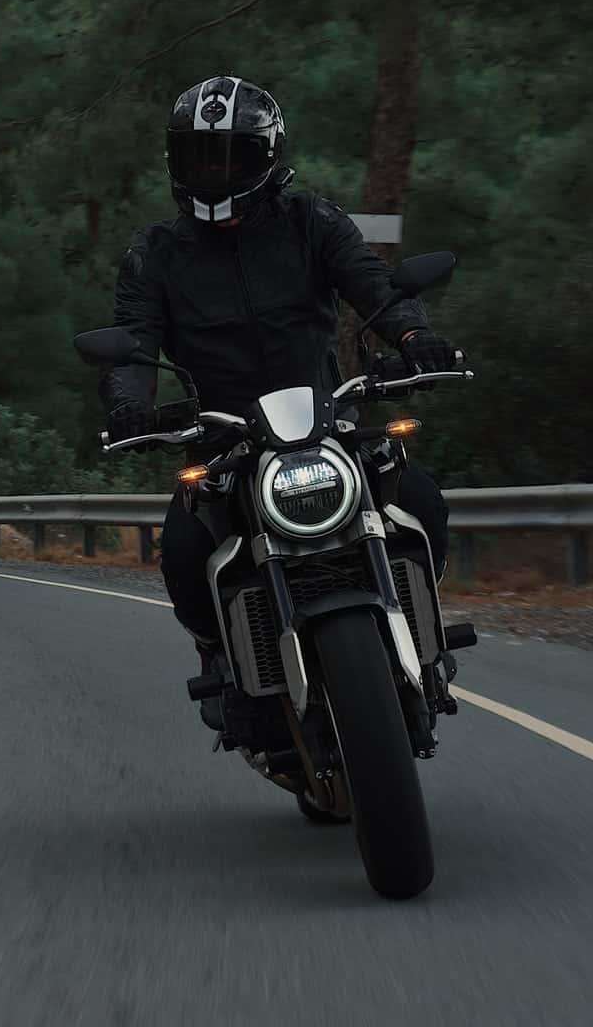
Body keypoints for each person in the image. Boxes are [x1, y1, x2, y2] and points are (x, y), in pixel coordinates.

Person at [98, 75, 461, 727]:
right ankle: (224, 660)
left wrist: (415, 336)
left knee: (419, 498)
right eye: (200, 157)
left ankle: (420, 635)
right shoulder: (155, 253)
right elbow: (131, 345)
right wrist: (129, 403)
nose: (215, 172)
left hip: (325, 420)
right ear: (176, 162)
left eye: (230, 155)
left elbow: (372, 285)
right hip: (224, 437)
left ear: (265, 155)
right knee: (184, 547)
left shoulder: (311, 220)